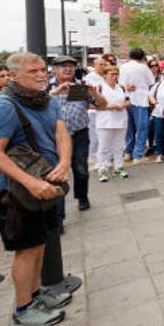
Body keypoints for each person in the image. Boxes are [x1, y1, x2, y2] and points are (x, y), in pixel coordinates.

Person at [0, 53, 73, 326]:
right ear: (12, 76)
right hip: (15, 192)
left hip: (44, 184)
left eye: (42, 69)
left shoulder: (46, 99)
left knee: (39, 245)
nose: (41, 74)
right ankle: (22, 309)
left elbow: (61, 133)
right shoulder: (3, 107)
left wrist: (65, 162)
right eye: (33, 70)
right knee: (26, 249)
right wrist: (32, 183)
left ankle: (35, 295)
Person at [48, 56, 107, 211]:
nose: (67, 69)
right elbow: (38, 105)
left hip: (79, 134)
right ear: (54, 69)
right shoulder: (47, 87)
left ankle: (82, 197)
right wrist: (55, 92)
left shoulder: (80, 87)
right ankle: (57, 208)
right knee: (56, 171)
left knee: (80, 169)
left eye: (71, 66)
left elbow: (101, 105)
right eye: (63, 66)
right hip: (54, 138)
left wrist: (94, 93)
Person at [118, 48, 155, 164]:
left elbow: (120, 83)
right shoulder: (143, 67)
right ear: (142, 56)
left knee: (130, 128)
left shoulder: (123, 67)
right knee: (142, 128)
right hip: (141, 100)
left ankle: (128, 152)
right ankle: (137, 155)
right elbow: (151, 82)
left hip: (126, 99)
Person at [95, 65, 130, 182]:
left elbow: (128, 101)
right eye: (112, 74)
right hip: (105, 122)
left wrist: (122, 105)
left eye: (116, 74)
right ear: (105, 75)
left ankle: (118, 168)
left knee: (119, 147)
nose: (114, 76)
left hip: (121, 121)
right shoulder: (99, 88)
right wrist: (113, 106)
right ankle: (102, 169)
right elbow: (96, 104)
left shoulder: (121, 88)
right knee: (104, 147)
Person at [84, 56, 107, 167]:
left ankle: (105, 156)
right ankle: (93, 157)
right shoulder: (89, 78)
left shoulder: (107, 77)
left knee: (105, 135)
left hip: (106, 110)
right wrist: (92, 106)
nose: (103, 67)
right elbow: (86, 96)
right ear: (94, 65)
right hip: (93, 111)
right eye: (100, 64)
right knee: (94, 136)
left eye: (104, 64)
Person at [148, 66, 164, 163]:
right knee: (159, 133)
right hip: (158, 112)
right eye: (163, 73)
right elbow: (150, 95)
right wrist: (155, 103)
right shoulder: (158, 85)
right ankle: (159, 153)